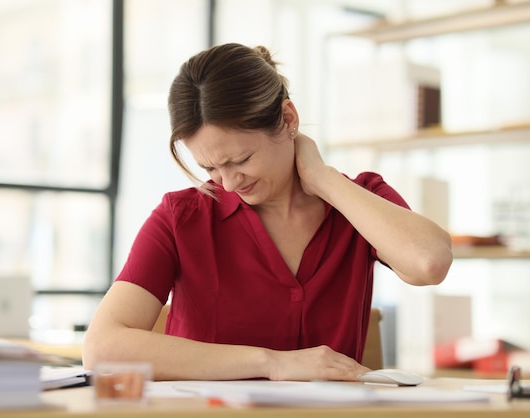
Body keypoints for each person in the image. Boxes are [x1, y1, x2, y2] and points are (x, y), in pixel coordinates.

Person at [82, 43, 453, 382]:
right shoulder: (181, 218)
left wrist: (323, 179)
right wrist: (271, 362)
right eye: (210, 168)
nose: (227, 183)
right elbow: (101, 349)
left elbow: (430, 262)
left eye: (240, 159)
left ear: (288, 119)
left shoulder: (359, 201)